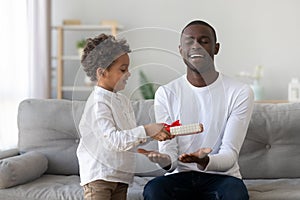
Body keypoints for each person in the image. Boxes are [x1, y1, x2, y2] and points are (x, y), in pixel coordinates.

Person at [139, 20, 254, 200]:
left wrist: (203, 160)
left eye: (204, 41)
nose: (196, 46)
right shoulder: (166, 93)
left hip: (222, 178)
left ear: (216, 48)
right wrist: (165, 160)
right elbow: (170, 155)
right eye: (189, 41)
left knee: (235, 194)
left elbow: (229, 155)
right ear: (180, 50)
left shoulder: (239, 92)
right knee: (154, 190)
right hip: (179, 176)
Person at [76, 33, 174, 200]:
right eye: (123, 69)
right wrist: (147, 130)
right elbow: (114, 140)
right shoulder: (98, 103)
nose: (128, 73)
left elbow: (129, 137)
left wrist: (153, 134)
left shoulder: (123, 101)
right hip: (100, 177)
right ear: (102, 73)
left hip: (121, 176)